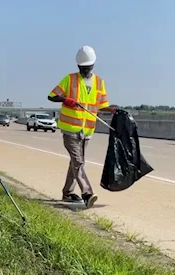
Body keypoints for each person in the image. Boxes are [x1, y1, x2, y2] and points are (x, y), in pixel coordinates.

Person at [47, 45, 117, 208]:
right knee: (78, 162)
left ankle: (68, 193)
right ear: (78, 65)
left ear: (93, 65)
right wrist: (65, 100)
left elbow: (102, 105)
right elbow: (51, 96)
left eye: (87, 67)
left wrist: (111, 109)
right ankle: (87, 193)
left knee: (76, 163)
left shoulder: (100, 83)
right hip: (70, 129)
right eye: (82, 67)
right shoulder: (69, 79)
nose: (84, 69)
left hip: (87, 131)